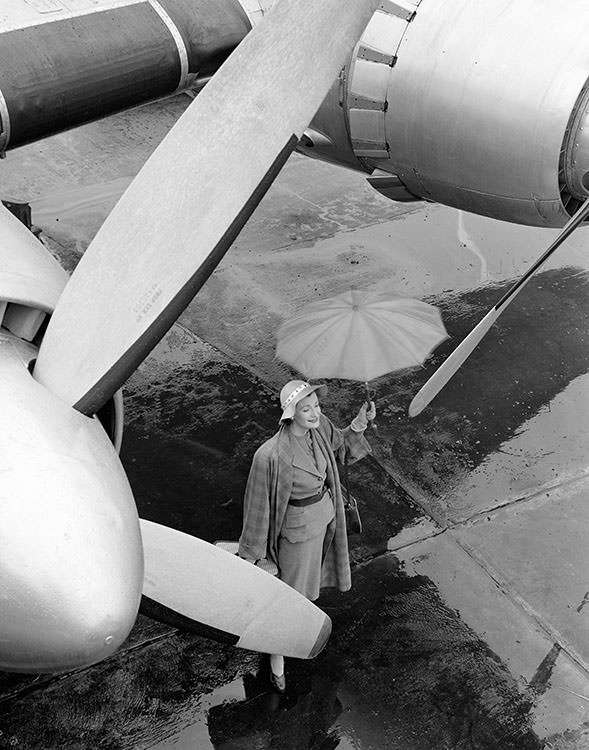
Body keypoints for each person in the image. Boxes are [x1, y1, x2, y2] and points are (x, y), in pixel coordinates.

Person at [238, 379, 376, 694]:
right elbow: (258, 509)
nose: (314, 413)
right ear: (290, 414)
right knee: (288, 600)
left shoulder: (321, 429)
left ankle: (290, 638)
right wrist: (252, 557)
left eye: (316, 406)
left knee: (308, 592)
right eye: (306, 408)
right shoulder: (270, 455)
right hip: (296, 538)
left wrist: (360, 420)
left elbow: (341, 448)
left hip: (327, 524)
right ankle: (277, 659)